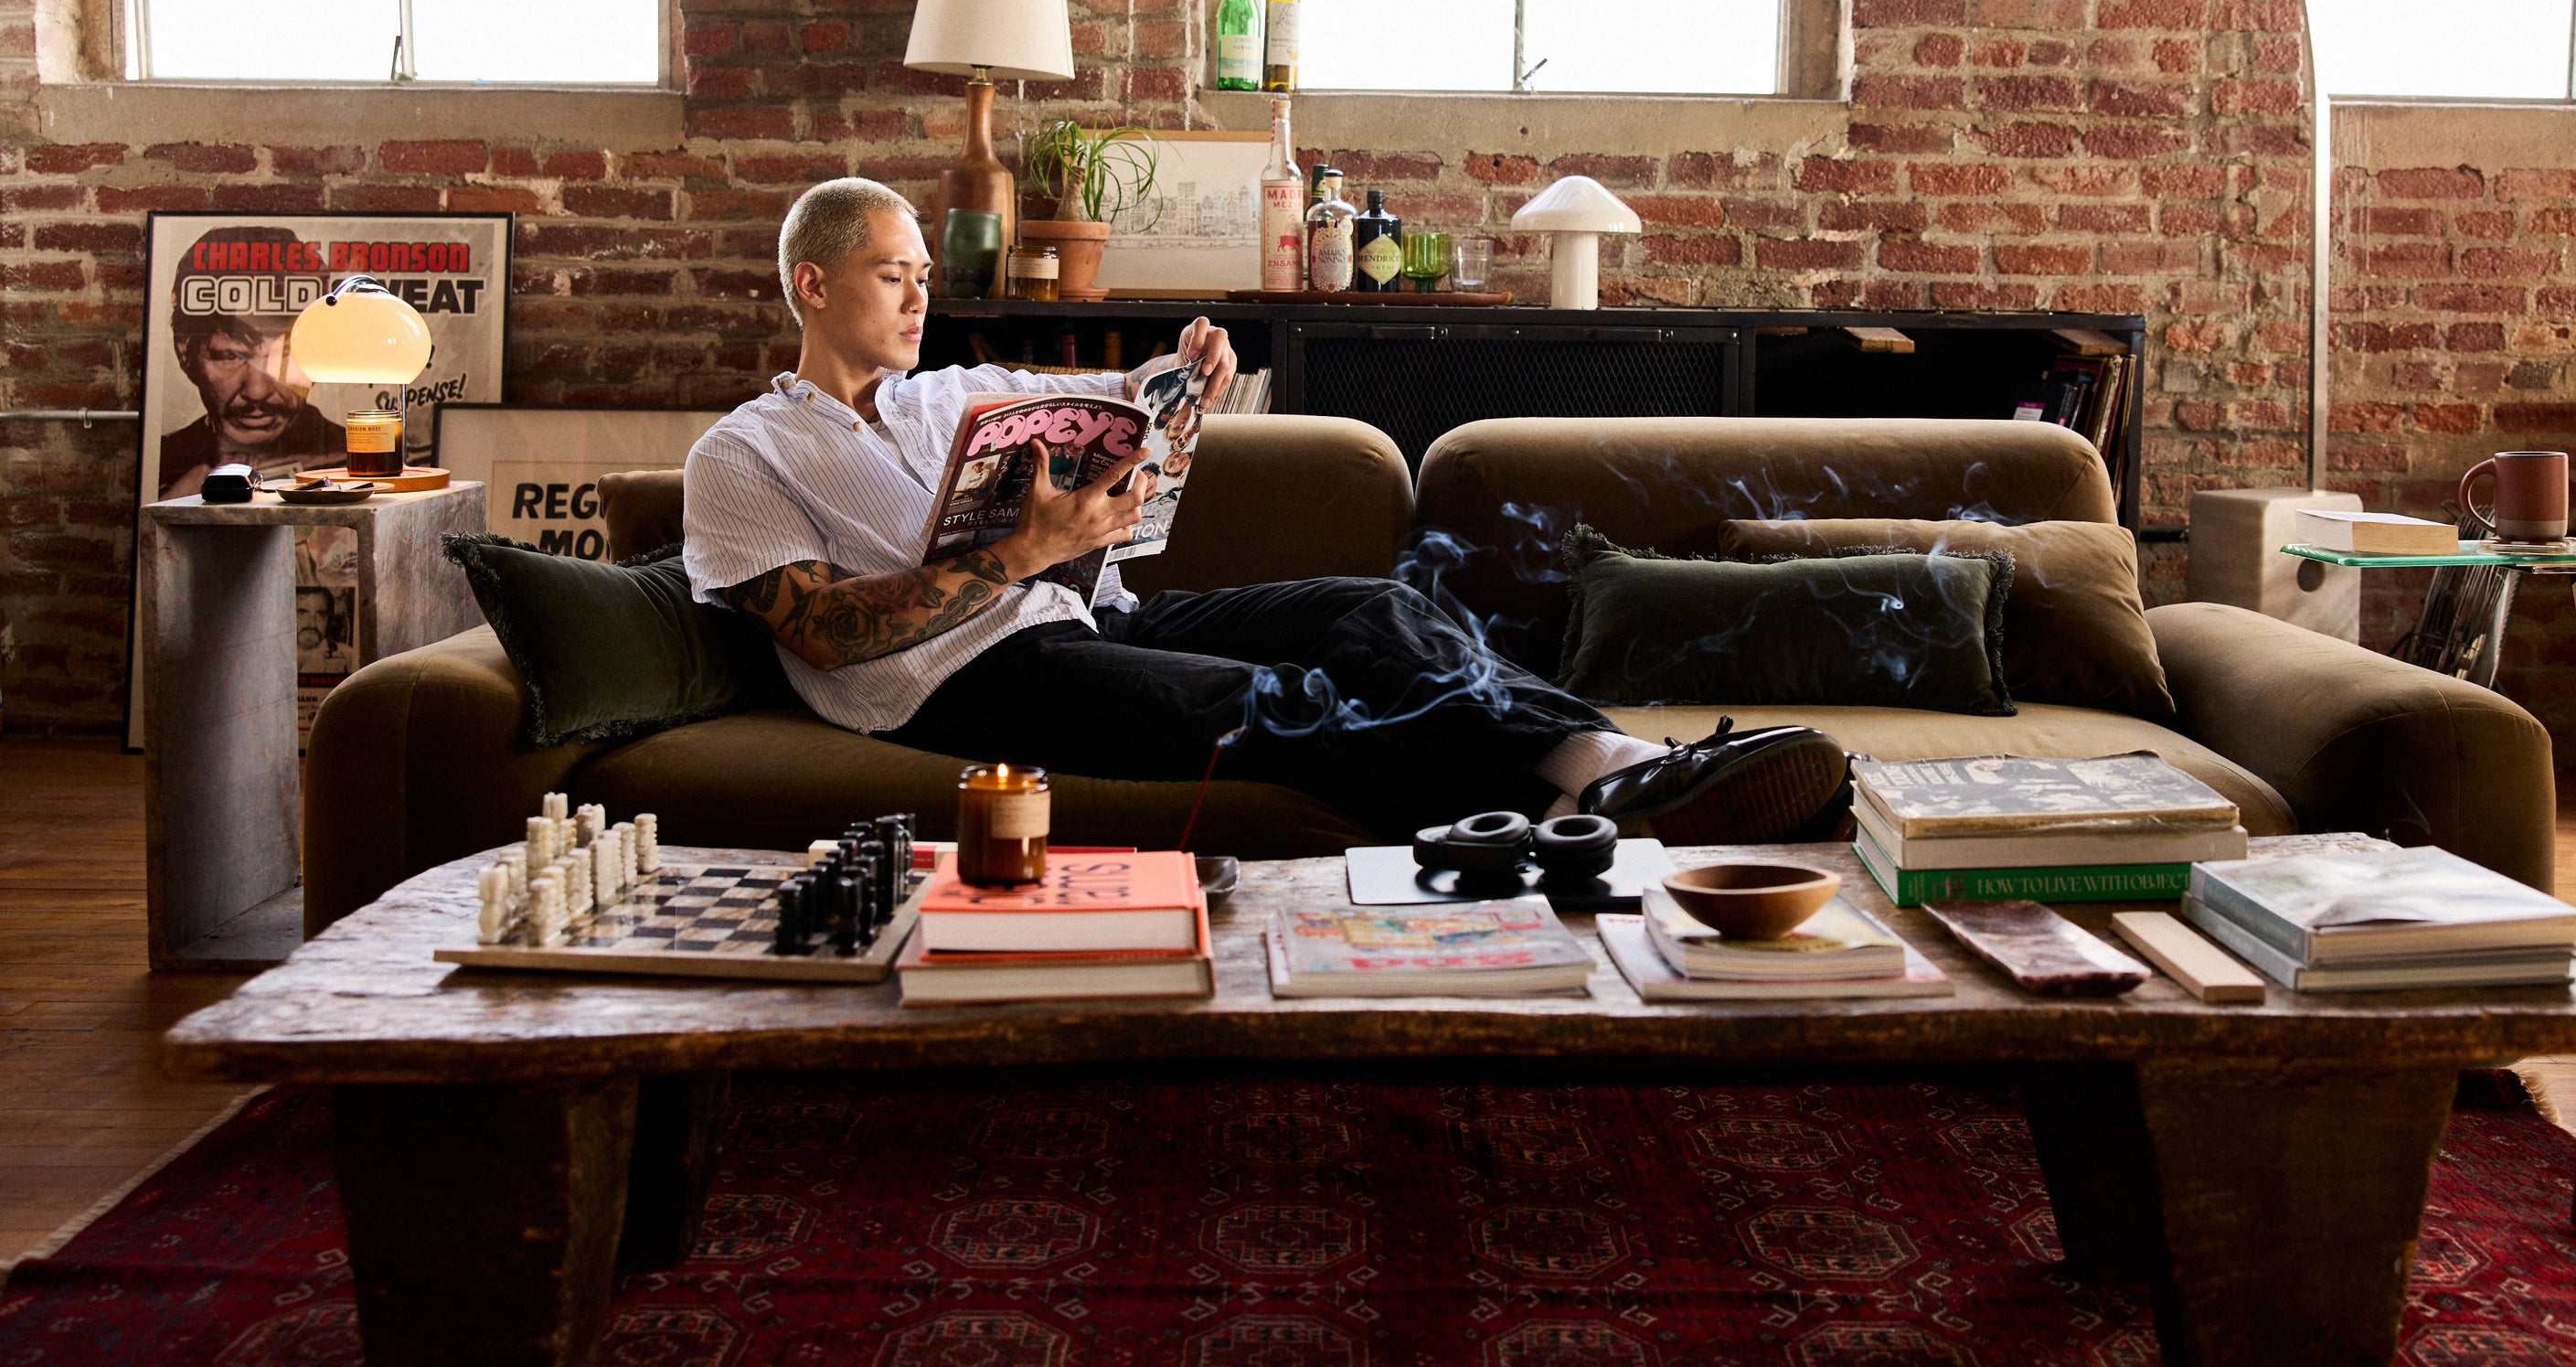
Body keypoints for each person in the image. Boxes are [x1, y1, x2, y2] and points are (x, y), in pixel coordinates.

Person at [681, 177, 1845, 844]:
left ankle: (1614, 764)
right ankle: (1603, 813)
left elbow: (1122, 405)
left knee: (1372, 612)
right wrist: (1016, 557)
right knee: (1285, 704)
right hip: (958, 683)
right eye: (896, 274)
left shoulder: (959, 395)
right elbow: (824, 634)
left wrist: (1181, 382)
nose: (921, 296)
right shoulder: (742, 454)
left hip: (1093, 618)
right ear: (812, 285)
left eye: (928, 273)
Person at [157, 227, 348, 497]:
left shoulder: (359, 461)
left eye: (285, 356)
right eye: (230, 356)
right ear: (184, 352)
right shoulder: (163, 462)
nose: (258, 391)